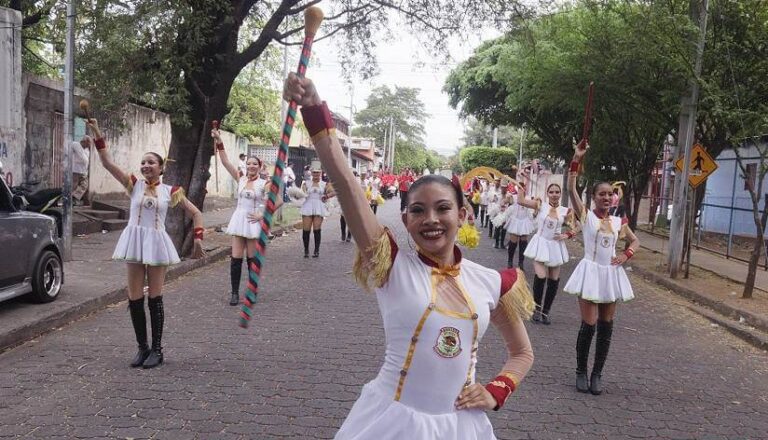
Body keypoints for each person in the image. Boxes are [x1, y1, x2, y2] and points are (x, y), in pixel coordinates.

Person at [285, 73, 534, 439]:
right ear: (406, 219)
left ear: (462, 215)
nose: (431, 220)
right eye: (418, 210)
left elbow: (522, 353)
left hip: (459, 427)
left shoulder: (492, 282)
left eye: (442, 208)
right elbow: (346, 183)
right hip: (392, 421)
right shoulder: (390, 265)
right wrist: (315, 109)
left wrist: (498, 390)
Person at [87, 119, 205, 369]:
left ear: (161, 168)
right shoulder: (134, 184)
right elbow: (107, 163)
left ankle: (158, 350)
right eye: (143, 162)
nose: (145, 165)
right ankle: (142, 348)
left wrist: (198, 240)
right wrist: (98, 134)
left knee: (155, 297)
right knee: (134, 298)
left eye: (151, 162)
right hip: (135, 242)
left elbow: (196, 213)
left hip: (156, 243)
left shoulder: (172, 191)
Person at [564, 145, 640, 395]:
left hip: (610, 275)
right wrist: (576, 159)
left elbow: (635, 241)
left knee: (607, 325)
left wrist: (625, 255)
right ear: (594, 197)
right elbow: (571, 188)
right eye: (602, 194)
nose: (606, 198)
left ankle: (597, 374)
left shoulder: (619, 221)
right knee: (590, 324)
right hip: (590, 272)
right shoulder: (586, 215)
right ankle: (580, 372)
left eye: (610, 194)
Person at [212, 128, 282, 306]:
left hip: (253, 222)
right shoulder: (241, 178)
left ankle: (251, 291)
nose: (251, 166)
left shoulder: (264, 183)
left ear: (260, 167)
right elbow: (225, 161)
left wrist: (262, 214)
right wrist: (219, 140)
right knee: (235, 258)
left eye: (254, 164)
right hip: (238, 220)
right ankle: (235, 293)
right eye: (249, 163)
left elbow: (278, 200)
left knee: (252, 259)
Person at [515, 182, 577, 324]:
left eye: (557, 192)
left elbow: (578, 225)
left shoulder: (565, 211)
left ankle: (545, 312)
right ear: (547, 194)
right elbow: (521, 201)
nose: (554, 194)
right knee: (541, 276)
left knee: (554, 280)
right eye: (551, 192)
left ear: (560, 194)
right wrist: (520, 187)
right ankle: (536, 310)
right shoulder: (540, 205)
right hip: (540, 244)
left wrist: (568, 234)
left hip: (556, 247)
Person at [300, 163, 335, 258]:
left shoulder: (325, 184)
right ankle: (306, 250)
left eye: (317, 173)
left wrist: (326, 196)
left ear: (321, 173)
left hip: (319, 206)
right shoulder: (306, 183)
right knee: (306, 229)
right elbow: (301, 194)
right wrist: (301, 195)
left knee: (317, 229)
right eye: (314, 172)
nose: (316, 174)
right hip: (307, 205)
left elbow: (334, 191)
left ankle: (316, 250)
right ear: (311, 172)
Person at [505, 172, 536, 269]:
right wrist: (506, 199)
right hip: (515, 221)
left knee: (523, 242)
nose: (521, 189)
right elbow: (504, 202)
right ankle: (510, 261)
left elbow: (533, 210)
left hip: (524, 221)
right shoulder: (513, 197)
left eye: (522, 188)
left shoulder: (528, 198)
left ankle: (521, 262)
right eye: (519, 188)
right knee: (513, 242)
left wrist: (535, 211)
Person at [71, 136, 91, 205]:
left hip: (83, 170)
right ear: (84, 141)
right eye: (88, 143)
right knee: (75, 185)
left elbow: (86, 159)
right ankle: (71, 199)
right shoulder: (76, 145)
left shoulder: (86, 149)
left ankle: (74, 197)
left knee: (84, 185)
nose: (89, 145)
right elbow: (83, 158)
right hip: (76, 169)